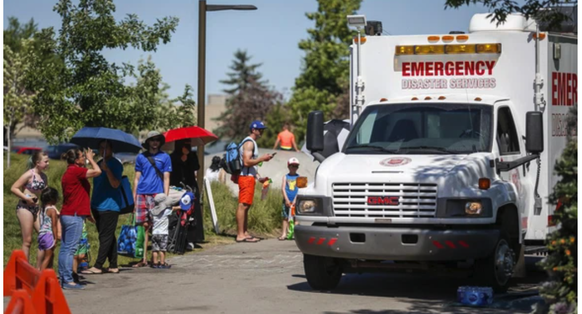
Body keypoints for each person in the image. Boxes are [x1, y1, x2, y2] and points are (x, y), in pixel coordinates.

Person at [59, 148, 101, 290]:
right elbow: (97, 172)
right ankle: (68, 280)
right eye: (82, 156)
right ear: (76, 160)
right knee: (70, 249)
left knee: (65, 249)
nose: (84, 158)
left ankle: (64, 278)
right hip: (74, 215)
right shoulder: (75, 171)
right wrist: (92, 159)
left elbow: (80, 191)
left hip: (68, 213)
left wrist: (87, 214)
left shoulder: (70, 172)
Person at [133, 131, 172, 268]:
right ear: (148, 142)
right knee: (144, 226)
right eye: (152, 140)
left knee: (157, 226)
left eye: (157, 140)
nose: (155, 142)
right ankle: (143, 257)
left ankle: (155, 257)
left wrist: (165, 198)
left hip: (157, 195)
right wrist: (134, 196)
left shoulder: (165, 157)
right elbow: (137, 178)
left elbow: (167, 178)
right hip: (142, 193)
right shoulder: (141, 157)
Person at [84, 140, 123, 274]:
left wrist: (107, 171)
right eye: (101, 147)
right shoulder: (99, 164)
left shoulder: (115, 164)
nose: (103, 150)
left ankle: (98, 265)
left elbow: (116, 184)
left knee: (105, 237)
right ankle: (113, 265)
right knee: (108, 235)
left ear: (111, 149)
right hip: (97, 205)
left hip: (110, 206)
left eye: (106, 147)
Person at [236, 120, 274, 243]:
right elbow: (246, 162)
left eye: (262, 129)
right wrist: (262, 158)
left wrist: (259, 178)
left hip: (249, 177)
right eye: (260, 129)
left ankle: (244, 232)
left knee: (246, 206)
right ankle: (240, 234)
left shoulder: (251, 143)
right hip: (245, 178)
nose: (262, 131)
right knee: (243, 205)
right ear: (253, 130)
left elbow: (250, 166)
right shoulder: (249, 143)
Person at [11, 151, 49, 260]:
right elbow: (14, 188)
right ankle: (25, 269)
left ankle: (38, 269)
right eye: (45, 161)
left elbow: (45, 194)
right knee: (27, 241)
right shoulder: (29, 174)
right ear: (38, 163)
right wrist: (26, 198)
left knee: (44, 237)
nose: (48, 163)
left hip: (37, 208)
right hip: (25, 208)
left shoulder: (44, 177)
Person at [169, 139, 204, 245]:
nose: (187, 148)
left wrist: (188, 159)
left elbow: (197, 167)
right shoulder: (173, 157)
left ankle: (192, 238)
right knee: (180, 212)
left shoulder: (192, 155)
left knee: (193, 212)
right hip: (177, 187)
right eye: (185, 145)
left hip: (190, 186)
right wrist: (181, 160)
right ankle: (177, 236)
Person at [150, 193, 180, 269]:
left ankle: (155, 263)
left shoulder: (153, 211)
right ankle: (162, 263)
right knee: (162, 249)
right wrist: (181, 207)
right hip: (163, 233)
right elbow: (174, 208)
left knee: (155, 249)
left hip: (154, 233)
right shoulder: (166, 211)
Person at [37, 187, 61, 270]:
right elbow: (53, 225)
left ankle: (48, 274)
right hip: (48, 235)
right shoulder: (52, 210)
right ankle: (41, 277)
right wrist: (55, 238)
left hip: (41, 235)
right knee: (48, 257)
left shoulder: (42, 209)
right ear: (52, 199)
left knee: (50, 256)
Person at [279, 158, 300, 241]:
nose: (294, 168)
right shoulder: (285, 177)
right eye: (292, 166)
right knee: (285, 217)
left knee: (296, 218)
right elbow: (283, 188)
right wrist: (287, 199)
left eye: (296, 166)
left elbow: (300, 190)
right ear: (288, 166)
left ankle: (294, 233)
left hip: (296, 201)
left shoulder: (300, 177)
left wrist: (295, 200)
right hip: (287, 200)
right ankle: (284, 233)